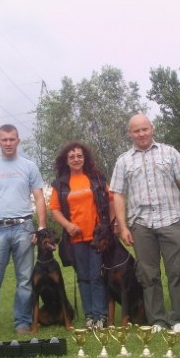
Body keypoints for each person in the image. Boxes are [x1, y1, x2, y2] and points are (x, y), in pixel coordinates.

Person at [110, 114, 180, 334]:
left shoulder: (170, 152)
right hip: (141, 225)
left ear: (152, 129)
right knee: (148, 275)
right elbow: (118, 195)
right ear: (130, 133)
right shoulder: (123, 161)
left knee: (177, 271)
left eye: (144, 129)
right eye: (136, 131)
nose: (141, 134)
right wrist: (122, 226)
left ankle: (178, 318)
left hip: (172, 220)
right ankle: (157, 319)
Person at [0, 124, 47, 341]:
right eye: (4, 140)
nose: (8, 143)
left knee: (24, 279)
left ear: (18, 141)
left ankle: (22, 322)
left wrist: (41, 228)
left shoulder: (29, 166)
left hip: (24, 228)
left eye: (12, 139)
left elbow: (39, 197)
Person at [49, 141, 114, 330]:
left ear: (85, 158)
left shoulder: (96, 178)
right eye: (72, 157)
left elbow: (111, 200)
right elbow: (55, 209)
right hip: (75, 239)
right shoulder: (60, 182)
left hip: (96, 239)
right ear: (66, 161)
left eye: (79, 156)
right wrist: (68, 226)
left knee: (96, 276)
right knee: (83, 277)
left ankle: (100, 316)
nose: (76, 159)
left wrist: (111, 224)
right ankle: (89, 317)